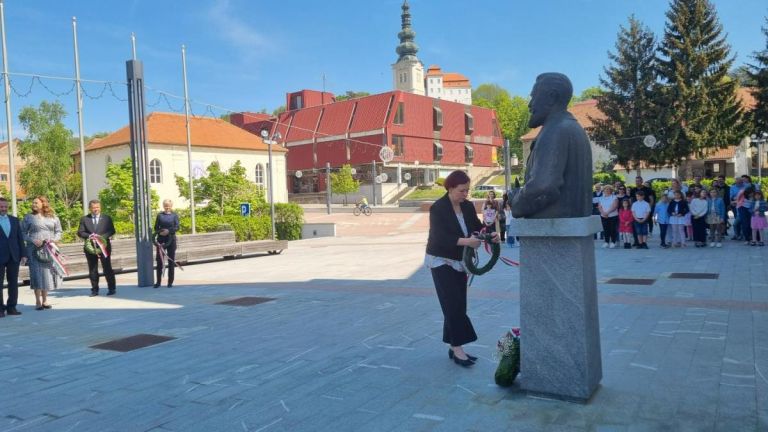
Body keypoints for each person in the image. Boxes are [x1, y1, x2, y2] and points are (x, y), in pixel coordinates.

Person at [425, 170, 498, 367]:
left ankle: (452, 345)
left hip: (460, 261)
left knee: (459, 303)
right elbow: (441, 238)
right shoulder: (438, 208)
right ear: (450, 188)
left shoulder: (466, 206)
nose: (465, 194)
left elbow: (477, 226)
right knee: (452, 304)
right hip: (441, 260)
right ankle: (458, 349)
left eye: (467, 190)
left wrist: (490, 234)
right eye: (461, 190)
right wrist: (467, 241)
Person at [508, 73, 592, 219]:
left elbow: (543, 186)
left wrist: (516, 202)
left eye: (533, 97)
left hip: (554, 227)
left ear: (551, 97)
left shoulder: (555, 130)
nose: (530, 104)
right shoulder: (572, 127)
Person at [21, 196, 63, 310]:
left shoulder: (53, 217)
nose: (33, 204)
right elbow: (22, 233)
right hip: (34, 250)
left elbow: (59, 231)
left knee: (46, 274)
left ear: (43, 203)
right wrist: (32, 240)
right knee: (36, 274)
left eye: (36, 202)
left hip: (49, 249)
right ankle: (37, 301)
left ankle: (45, 300)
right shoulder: (28, 218)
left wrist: (55, 239)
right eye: (33, 203)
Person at [78, 199, 117, 296]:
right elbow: (80, 232)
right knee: (92, 269)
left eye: (97, 207)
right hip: (90, 247)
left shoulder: (107, 218)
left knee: (107, 267)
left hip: (104, 246)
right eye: (93, 207)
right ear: (90, 208)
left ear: (100, 207)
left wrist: (101, 237)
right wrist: (90, 236)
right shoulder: (84, 219)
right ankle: (94, 290)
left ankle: (112, 288)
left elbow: (112, 231)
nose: (96, 209)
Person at [0, 197, 27, 317]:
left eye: (5, 206)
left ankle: (12, 307)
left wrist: (24, 254)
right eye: (1, 207)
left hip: (13, 256)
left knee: (13, 283)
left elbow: (20, 239)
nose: (4, 208)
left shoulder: (14, 220)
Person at [154, 199, 180, 288]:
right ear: (163, 206)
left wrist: (168, 231)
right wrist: (160, 232)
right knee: (159, 261)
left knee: (171, 260)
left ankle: (170, 282)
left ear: (171, 206)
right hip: (161, 240)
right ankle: (158, 282)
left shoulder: (174, 215)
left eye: (168, 206)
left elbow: (177, 227)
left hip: (171, 240)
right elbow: (156, 227)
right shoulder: (160, 215)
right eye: (165, 205)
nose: (167, 207)